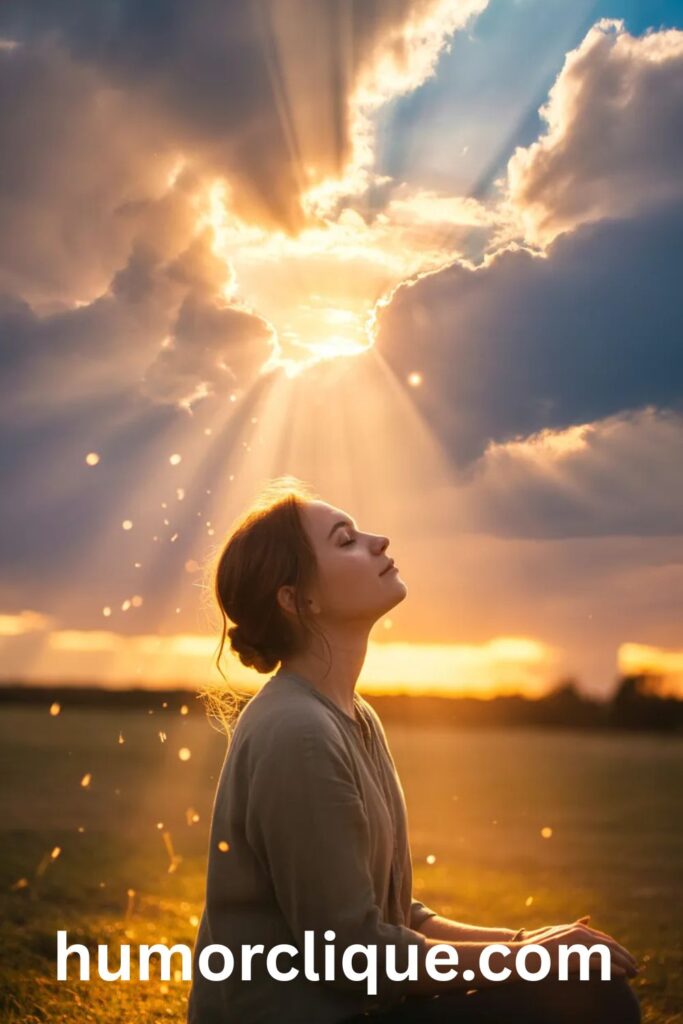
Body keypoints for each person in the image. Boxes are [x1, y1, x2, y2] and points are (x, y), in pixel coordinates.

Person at [187, 477, 641, 1024]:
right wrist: (527, 960)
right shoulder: (296, 732)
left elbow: (398, 918)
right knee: (595, 1001)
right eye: (345, 539)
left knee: (585, 983)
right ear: (298, 599)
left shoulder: (354, 717)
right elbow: (354, 957)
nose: (377, 541)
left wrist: (529, 943)